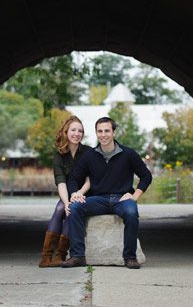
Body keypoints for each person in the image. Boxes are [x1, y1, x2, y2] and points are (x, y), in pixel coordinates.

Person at [62, 116, 153, 269]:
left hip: (121, 199)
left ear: (114, 133)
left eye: (107, 131)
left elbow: (146, 176)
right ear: (96, 133)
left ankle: (130, 257)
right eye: (100, 131)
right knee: (75, 208)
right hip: (98, 199)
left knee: (131, 212)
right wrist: (74, 194)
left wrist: (134, 196)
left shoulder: (128, 154)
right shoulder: (89, 156)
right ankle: (77, 256)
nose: (103, 135)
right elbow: (73, 178)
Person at [38, 115, 92, 267]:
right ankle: (46, 257)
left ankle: (59, 255)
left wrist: (80, 193)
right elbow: (60, 181)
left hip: (85, 192)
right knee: (61, 207)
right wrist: (67, 201)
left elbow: (90, 179)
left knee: (72, 210)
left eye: (80, 131)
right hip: (67, 193)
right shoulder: (59, 154)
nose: (77, 133)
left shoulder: (88, 152)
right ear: (66, 132)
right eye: (73, 130)